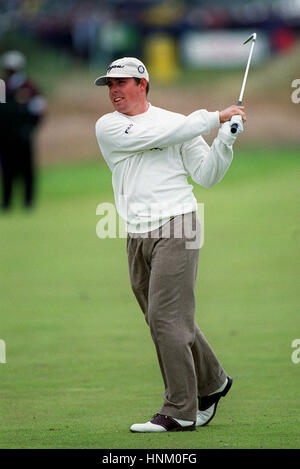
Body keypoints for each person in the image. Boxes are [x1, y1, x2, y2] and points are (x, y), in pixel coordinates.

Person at [94, 57, 245, 433]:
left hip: (179, 225)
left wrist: (225, 140)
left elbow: (207, 175)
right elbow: (159, 136)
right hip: (135, 233)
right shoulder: (109, 126)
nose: (113, 91)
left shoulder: (178, 125)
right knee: (167, 319)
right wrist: (215, 117)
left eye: (122, 83)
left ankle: (180, 409)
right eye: (109, 85)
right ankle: (214, 383)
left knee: (166, 319)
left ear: (142, 84)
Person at [0, 50, 46, 211]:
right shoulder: (2, 86)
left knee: (27, 169)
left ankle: (28, 202)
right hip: (5, 135)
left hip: (23, 134)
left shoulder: (29, 86)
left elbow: (38, 109)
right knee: (7, 170)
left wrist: (29, 128)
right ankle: (6, 203)